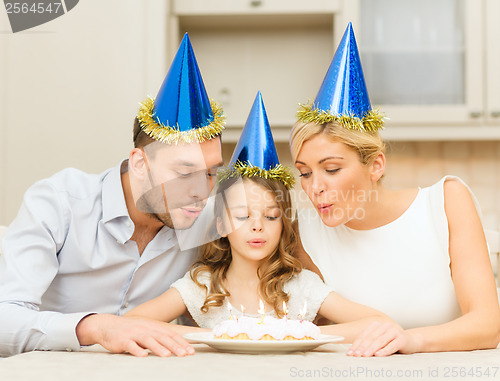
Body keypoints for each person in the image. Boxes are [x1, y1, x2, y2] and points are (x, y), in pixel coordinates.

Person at [0, 34, 225, 357]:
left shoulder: (206, 222)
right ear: (139, 163)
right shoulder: (58, 203)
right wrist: (96, 327)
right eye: (184, 173)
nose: (201, 192)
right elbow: (4, 321)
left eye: (211, 173)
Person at [290, 23, 500, 356]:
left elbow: (487, 325)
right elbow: (313, 331)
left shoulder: (446, 202)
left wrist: (410, 340)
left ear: (376, 165)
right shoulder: (305, 233)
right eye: (304, 173)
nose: (314, 188)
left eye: (331, 169)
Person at [125, 92, 396, 346]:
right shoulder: (202, 287)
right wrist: (214, 336)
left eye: (270, 215)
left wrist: (291, 333)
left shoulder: (300, 287)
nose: (257, 225)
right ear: (221, 224)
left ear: (284, 225)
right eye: (242, 215)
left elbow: (379, 324)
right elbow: (131, 323)